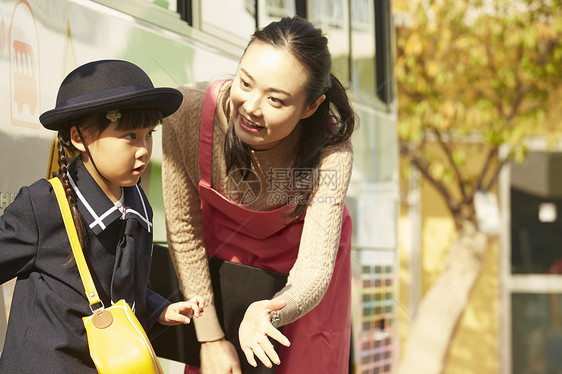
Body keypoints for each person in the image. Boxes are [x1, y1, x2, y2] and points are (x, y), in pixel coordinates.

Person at [163, 16, 355, 373]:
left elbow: (313, 267)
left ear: (310, 107)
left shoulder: (332, 151)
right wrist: (210, 338)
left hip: (302, 288)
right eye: (245, 83)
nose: (251, 107)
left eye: (276, 100)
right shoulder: (185, 113)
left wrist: (271, 309)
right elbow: (185, 235)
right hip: (219, 274)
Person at [0, 59, 205, 373]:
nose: (143, 149)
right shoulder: (44, 203)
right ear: (80, 138)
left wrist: (160, 309)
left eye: (148, 134)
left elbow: (127, 291)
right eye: (129, 137)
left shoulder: (140, 208)